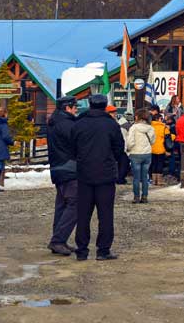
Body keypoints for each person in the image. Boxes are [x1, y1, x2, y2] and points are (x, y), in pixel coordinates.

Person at [71, 94, 124, 260]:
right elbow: (119, 148)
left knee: (83, 214)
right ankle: (103, 250)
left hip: (84, 173)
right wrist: (110, 160)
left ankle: (82, 250)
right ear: (105, 105)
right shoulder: (111, 125)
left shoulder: (79, 123)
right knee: (106, 214)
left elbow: (72, 147)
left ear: (90, 105)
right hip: (106, 174)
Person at [47, 96, 79, 256]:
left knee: (62, 204)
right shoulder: (67, 124)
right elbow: (77, 143)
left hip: (58, 167)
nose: (76, 109)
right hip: (70, 167)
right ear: (68, 108)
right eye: (75, 107)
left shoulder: (54, 121)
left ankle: (58, 240)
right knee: (75, 203)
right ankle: (58, 240)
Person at [126, 109, 156, 204]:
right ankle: (145, 196)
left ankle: (136, 197)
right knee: (145, 177)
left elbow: (130, 142)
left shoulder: (134, 128)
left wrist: (128, 149)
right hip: (147, 154)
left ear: (137, 117)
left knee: (136, 178)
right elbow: (152, 141)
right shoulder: (150, 128)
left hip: (135, 153)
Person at [150, 113, 171, 186]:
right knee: (160, 164)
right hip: (161, 148)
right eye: (161, 119)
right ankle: (159, 181)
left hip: (151, 148)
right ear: (158, 119)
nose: (162, 120)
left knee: (153, 164)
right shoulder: (164, 127)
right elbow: (168, 139)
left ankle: (153, 180)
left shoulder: (150, 127)